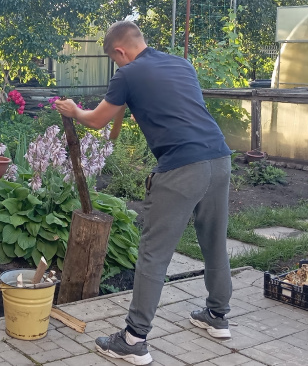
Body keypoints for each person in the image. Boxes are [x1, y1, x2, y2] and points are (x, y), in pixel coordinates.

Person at [55, 21, 233, 366]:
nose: (117, 66)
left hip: (182, 168)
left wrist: (74, 111)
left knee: (153, 254)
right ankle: (217, 316)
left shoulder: (128, 73)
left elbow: (96, 121)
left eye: (114, 60)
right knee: (215, 241)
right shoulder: (181, 64)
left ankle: (133, 340)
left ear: (120, 51)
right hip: (220, 159)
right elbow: (175, 108)